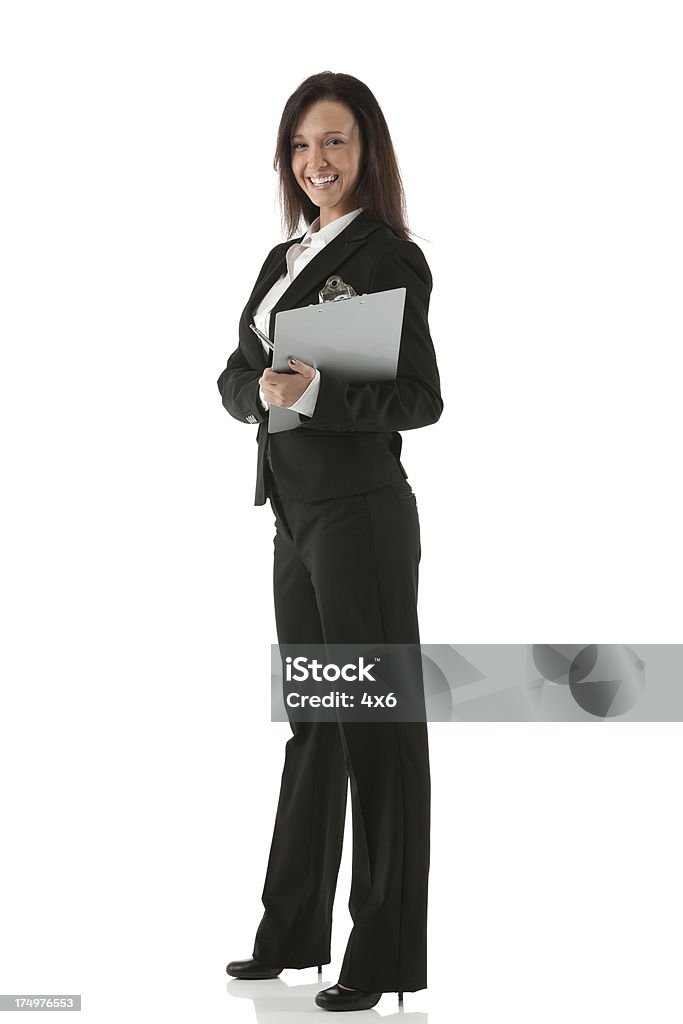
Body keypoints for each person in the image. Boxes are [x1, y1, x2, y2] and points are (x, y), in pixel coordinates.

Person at [217, 71, 443, 1013]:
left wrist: (311, 394)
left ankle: (382, 955)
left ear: (367, 152)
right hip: (295, 517)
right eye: (304, 145)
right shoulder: (281, 260)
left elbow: (420, 400)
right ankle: (291, 934)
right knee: (315, 722)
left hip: (361, 514)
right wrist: (259, 395)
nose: (318, 161)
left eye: (337, 143)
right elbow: (234, 375)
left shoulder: (387, 255)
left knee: (376, 728)